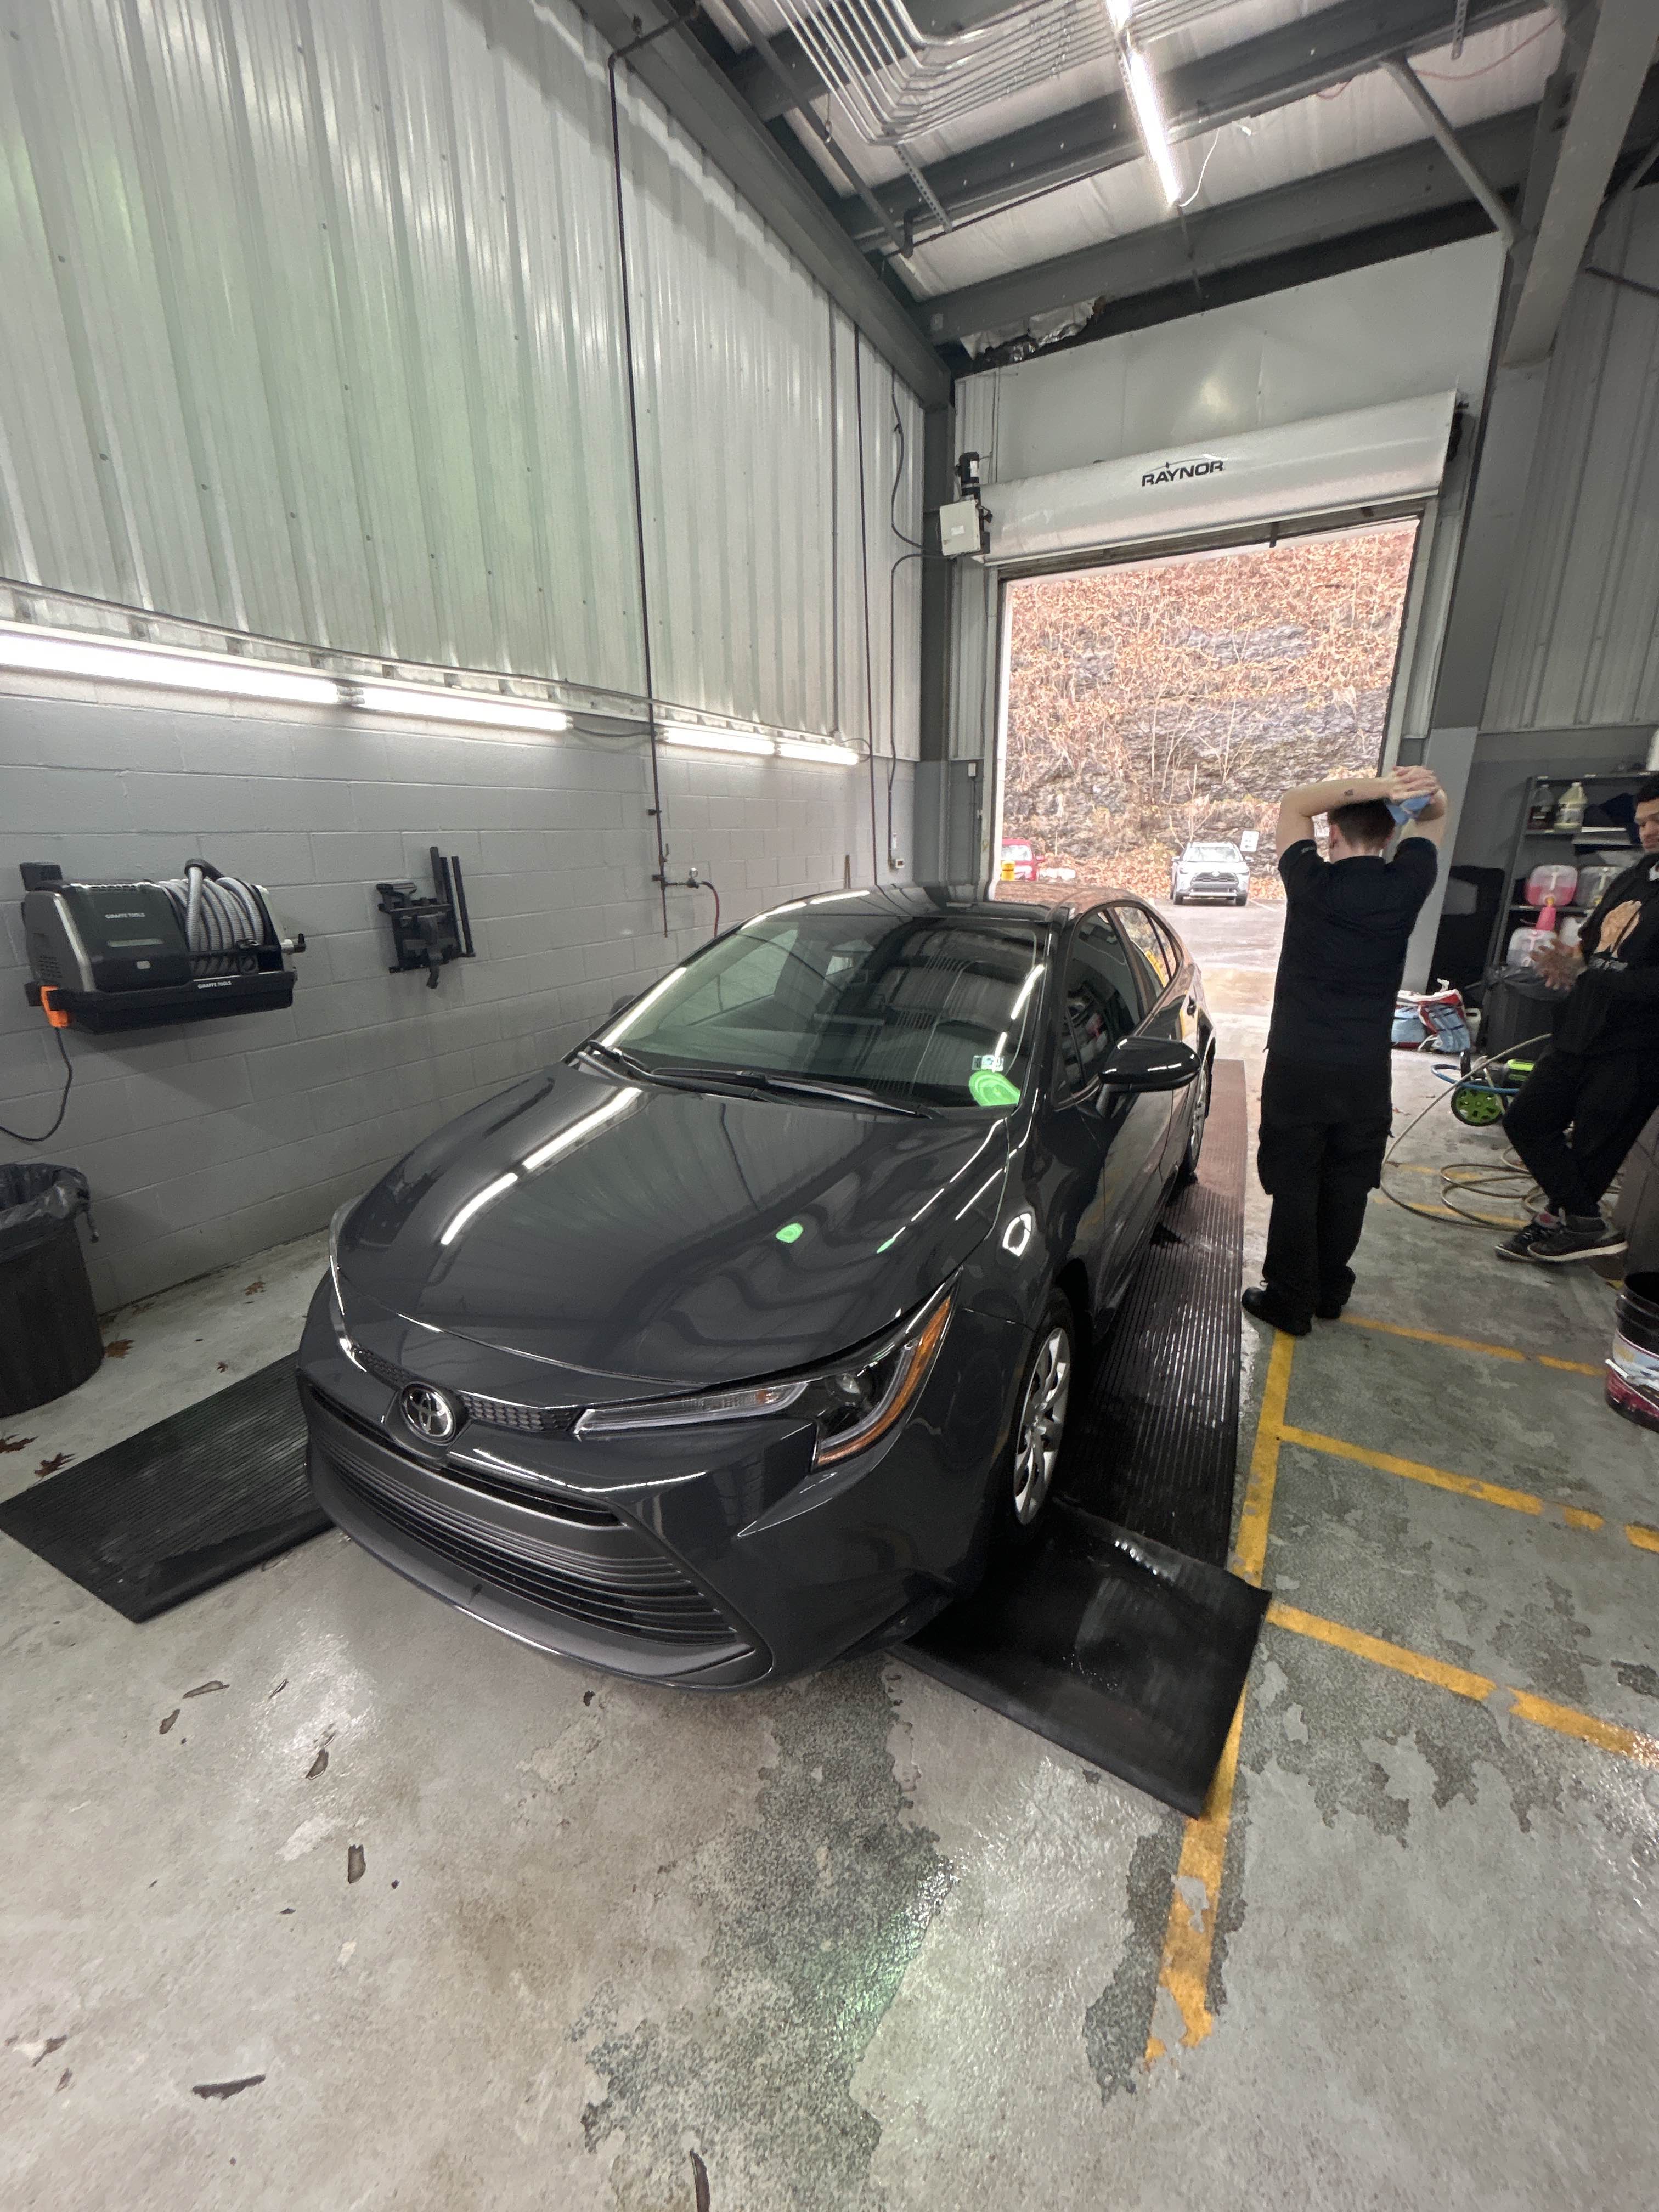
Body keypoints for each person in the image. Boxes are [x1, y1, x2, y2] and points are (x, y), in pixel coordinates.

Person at [1243, 764, 1447, 1337]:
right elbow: (1438, 812)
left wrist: (1381, 789)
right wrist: (1413, 790)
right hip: (1364, 1069)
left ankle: (1290, 1299)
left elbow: (1295, 801)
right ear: (1390, 833)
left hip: (1299, 1065)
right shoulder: (1407, 883)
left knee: (1295, 1180)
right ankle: (1330, 1290)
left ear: (1331, 833)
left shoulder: (1311, 882)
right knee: (1349, 1181)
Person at [1497, 775, 1659, 1263]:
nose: (1648, 832)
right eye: (1642, 823)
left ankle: (1561, 1222)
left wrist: (1595, 974)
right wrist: (1569, 960)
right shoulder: (1639, 873)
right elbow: (1592, 940)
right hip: (1581, 1030)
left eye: (1658, 821)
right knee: (1527, 1120)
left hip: (1636, 1046)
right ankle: (1585, 1221)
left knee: (1595, 1146)